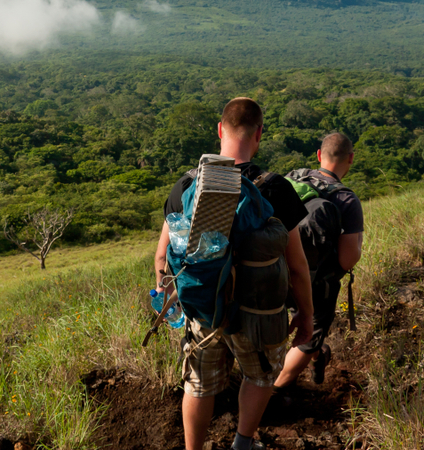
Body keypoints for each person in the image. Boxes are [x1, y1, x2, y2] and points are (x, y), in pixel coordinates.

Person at [154, 97, 314, 450]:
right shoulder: (274, 189)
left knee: (198, 384)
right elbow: (298, 267)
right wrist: (306, 313)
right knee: (259, 376)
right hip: (257, 314)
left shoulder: (186, 185)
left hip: (203, 307)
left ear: (219, 130)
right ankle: (243, 442)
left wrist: (170, 302)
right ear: (259, 134)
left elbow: (162, 255)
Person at [272, 132, 364, 391]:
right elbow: (348, 258)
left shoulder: (290, 179)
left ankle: (316, 355)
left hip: (273, 271)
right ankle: (273, 391)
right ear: (351, 159)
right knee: (309, 336)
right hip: (314, 284)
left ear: (318, 156)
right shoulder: (346, 199)